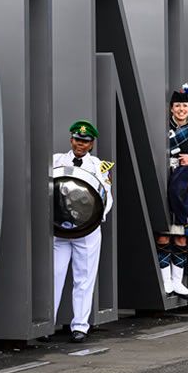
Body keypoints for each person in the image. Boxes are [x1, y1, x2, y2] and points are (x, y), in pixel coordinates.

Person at [52, 120, 113, 343]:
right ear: (71, 139)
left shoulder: (99, 166)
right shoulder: (55, 160)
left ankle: (80, 325)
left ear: (91, 144)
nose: (80, 145)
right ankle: (49, 323)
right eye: (77, 140)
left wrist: (94, 219)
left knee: (84, 278)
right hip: (59, 229)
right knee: (54, 275)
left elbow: (106, 197)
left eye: (85, 142)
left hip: (87, 230)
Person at [156, 84, 188, 299]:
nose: (181, 109)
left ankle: (178, 282)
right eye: (177, 105)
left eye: (184, 106)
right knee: (162, 235)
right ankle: (165, 281)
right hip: (162, 181)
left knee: (180, 238)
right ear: (171, 108)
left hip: (185, 188)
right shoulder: (161, 129)